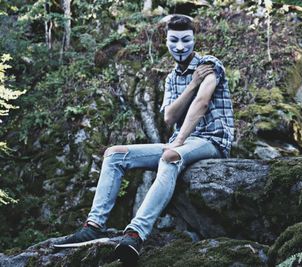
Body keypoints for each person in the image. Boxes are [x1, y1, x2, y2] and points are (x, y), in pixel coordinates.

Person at [54, 14, 234, 264]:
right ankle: (94, 226)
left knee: (170, 156)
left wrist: (179, 141)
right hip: (181, 140)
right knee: (114, 154)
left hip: (212, 140)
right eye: (174, 40)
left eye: (186, 40)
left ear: (194, 39)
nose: (180, 47)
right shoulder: (172, 77)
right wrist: (191, 84)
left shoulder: (209, 64)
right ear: (166, 40)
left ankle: (135, 234)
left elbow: (202, 104)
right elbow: (170, 116)